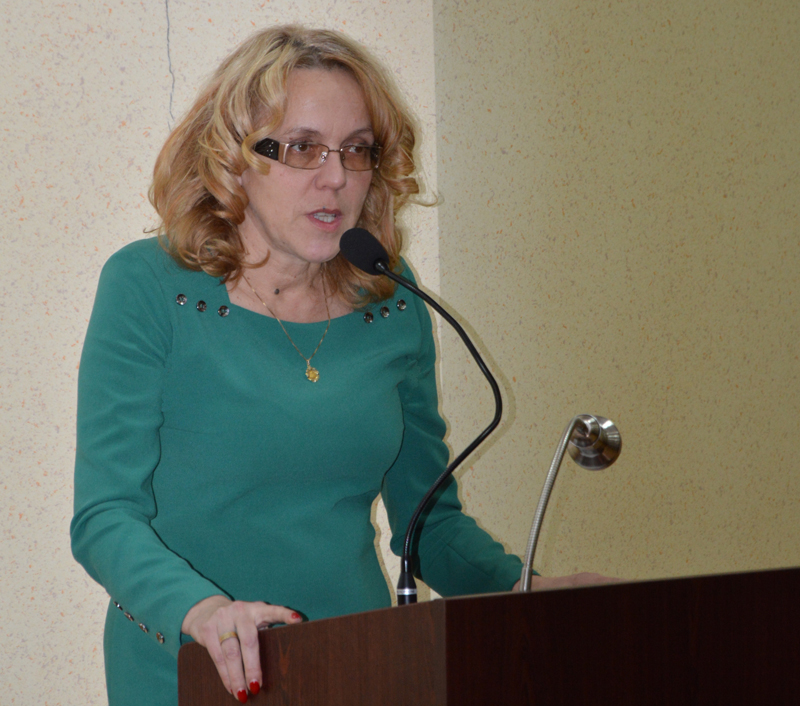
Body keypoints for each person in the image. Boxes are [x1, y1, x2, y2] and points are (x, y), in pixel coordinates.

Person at [71, 24, 609, 706]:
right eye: (302, 148)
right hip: (192, 669)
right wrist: (204, 612)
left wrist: (529, 591)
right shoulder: (152, 287)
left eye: (357, 150)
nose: (336, 178)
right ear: (233, 158)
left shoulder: (390, 298)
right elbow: (105, 516)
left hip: (360, 666)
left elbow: (430, 525)